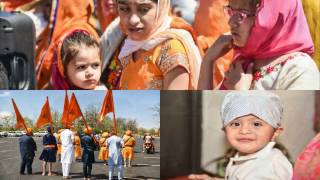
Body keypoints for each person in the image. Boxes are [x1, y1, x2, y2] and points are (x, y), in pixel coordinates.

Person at [198, 0, 319, 90]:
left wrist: (241, 95)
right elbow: (205, 118)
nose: (231, 22)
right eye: (230, 11)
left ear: (273, 17)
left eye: (241, 14)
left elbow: (293, 124)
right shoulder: (243, 63)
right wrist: (208, 61)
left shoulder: (299, 70)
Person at [100, 0, 202, 90]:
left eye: (144, 9)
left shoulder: (171, 49)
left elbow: (174, 108)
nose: (133, 20)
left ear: (160, 8)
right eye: (124, 8)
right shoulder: (130, 45)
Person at [220, 91, 292, 179]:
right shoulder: (241, 157)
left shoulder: (272, 164)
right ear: (225, 130)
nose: (244, 131)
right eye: (236, 124)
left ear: (275, 132)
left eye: (256, 124)